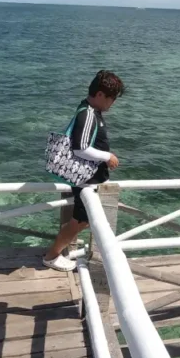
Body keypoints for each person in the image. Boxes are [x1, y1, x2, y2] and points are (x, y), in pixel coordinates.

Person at [43, 70, 125, 272]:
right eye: (111, 98)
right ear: (99, 95)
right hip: (85, 180)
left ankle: (61, 253)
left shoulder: (91, 112)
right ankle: (51, 256)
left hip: (88, 180)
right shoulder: (87, 114)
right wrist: (108, 156)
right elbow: (80, 147)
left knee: (83, 221)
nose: (112, 103)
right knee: (80, 221)